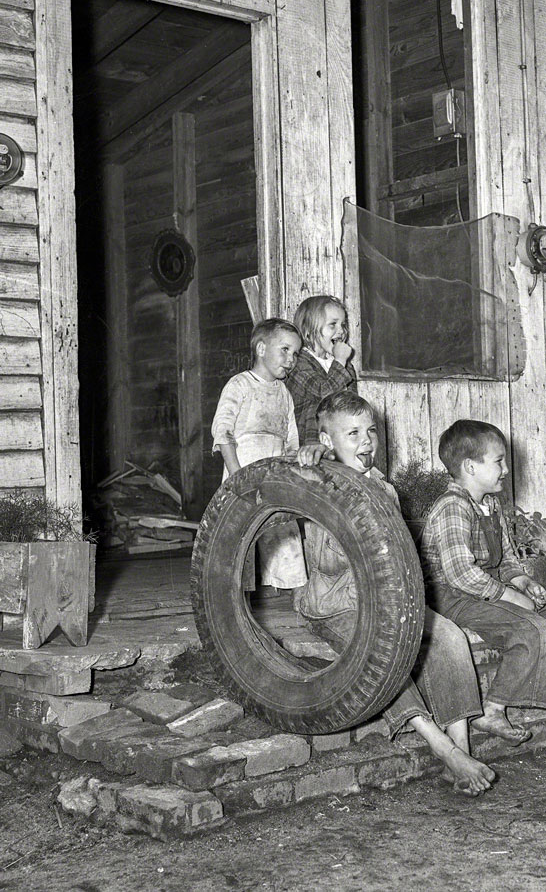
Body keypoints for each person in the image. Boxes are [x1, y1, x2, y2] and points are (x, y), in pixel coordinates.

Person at [298, 390, 495, 796]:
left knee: (449, 638)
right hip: (335, 607)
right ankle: (441, 747)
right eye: (351, 434)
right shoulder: (318, 483)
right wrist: (306, 458)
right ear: (326, 441)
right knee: (386, 657)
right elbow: (331, 563)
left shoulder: (383, 489)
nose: (366, 442)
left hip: (383, 602)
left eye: (370, 431)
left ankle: (462, 746)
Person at [421, 419, 546, 746]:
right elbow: (460, 575)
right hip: (453, 598)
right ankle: (492, 708)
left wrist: (520, 580)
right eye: (498, 461)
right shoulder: (452, 508)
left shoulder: (491, 505)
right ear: (470, 467)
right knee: (534, 627)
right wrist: (509, 596)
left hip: (487, 590)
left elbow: (505, 558)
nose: (505, 469)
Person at [211, 318, 315, 590]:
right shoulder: (240, 384)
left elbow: (291, 441)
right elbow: (223, 433)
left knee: (283, 530)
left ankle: (295, 592)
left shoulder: (284, 394)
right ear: (260, 349)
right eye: (285, 350)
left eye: (295, 353)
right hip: (244, 467)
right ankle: (235, 596)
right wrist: (237, 478)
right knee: (240, 535)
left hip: (275, 468)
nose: (291, 359)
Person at [286, 295, 357, 446]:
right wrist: (340, 361)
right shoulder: (298, 362)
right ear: (309, 330)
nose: (341, 331)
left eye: (343, 325)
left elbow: (352, 405)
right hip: (309, 443)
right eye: (333, 325)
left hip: (339, 441)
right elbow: (324, 395)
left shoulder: (345, 365)